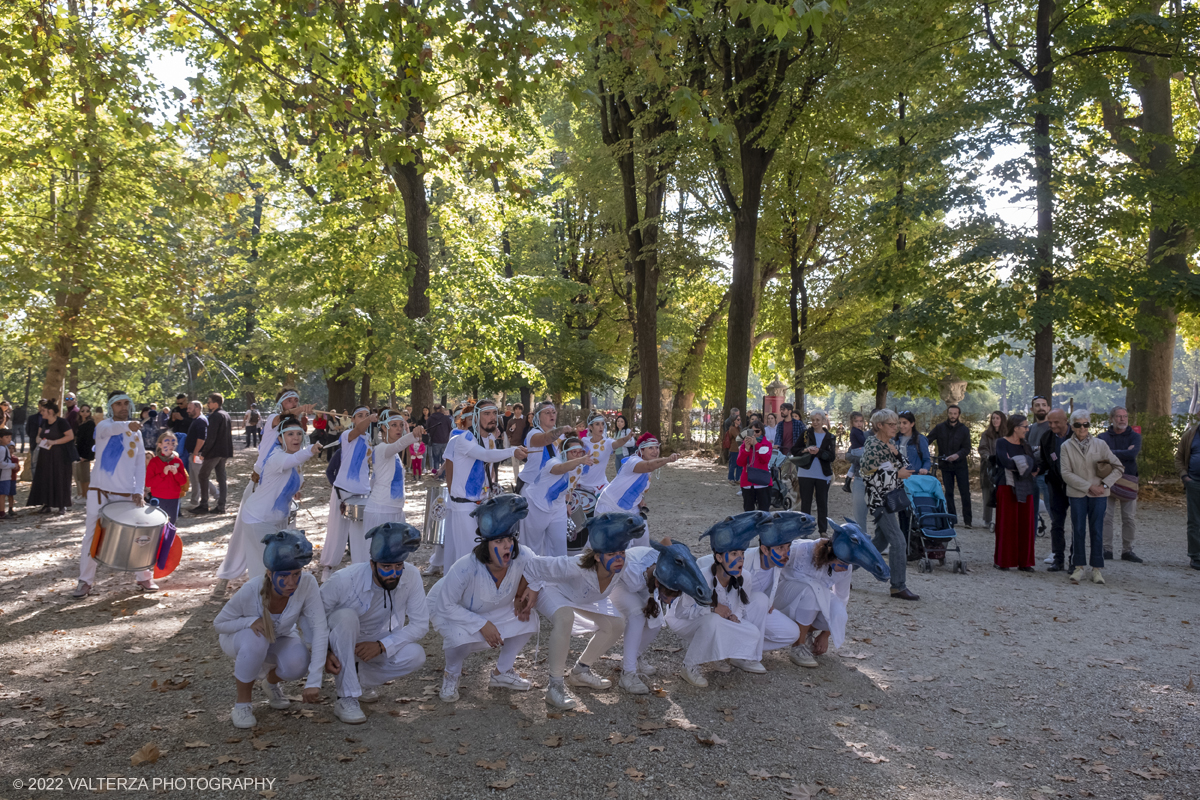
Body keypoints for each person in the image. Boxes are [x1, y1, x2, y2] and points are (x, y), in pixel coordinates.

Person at [517, 512, 646, 709]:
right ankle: (555, 687)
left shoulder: (622, 565)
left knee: (617, 624)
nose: (619, 559)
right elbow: (534, 565)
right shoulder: (575, 566)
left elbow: (637, 583)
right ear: (596, 557)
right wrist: (528, 591)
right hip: (552, 589)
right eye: (611, 554)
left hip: (583, 597)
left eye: (621, 553)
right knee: (565, 617)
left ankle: (580, 672)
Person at [428, 494, 540, 703]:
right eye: (499, 541)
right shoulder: (464, 567)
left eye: (510, 540)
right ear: (485, 544)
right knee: (458, 636)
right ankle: (451, 675)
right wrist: (482, 624)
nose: (507, 546)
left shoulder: (523, 555)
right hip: (451, 612)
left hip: (490, 608)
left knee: (528, 618)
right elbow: (446, 606)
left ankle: (502, 673)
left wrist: (533, 587)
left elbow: (542, 568)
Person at [213, 530, 328, 729]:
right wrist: (249, 622)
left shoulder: (307, 583)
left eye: (296, 574)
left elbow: (320, 628)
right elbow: (219, 624)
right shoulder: (252, 589)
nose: (291, 582)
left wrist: (314, 680)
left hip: (280, 636)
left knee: (299, 663)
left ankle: (271, 683)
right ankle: (242, 705)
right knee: (256, 639)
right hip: (240, 638)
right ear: (270, 574)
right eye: (284, 576)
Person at [321, 522, 429, 724]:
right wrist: (324, 653)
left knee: (416, 655)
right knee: (346, 617)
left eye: (398, 566)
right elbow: (315, 617)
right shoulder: (344, 580)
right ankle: (346, 697)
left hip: (378, 642)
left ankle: (356, 678)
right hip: (341, 640)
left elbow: (420, 624)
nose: (394, 573)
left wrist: (381, 646)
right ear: (372, 564)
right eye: (386, 567)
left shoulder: (411, 575)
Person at [216, 416, 322, 591]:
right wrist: (310, 450)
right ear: (280, 439)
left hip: (277, 519)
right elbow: (291, 462)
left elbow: (292, 474)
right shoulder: (277, 457)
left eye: (299, 434)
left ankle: (271, 607)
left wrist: (294, 489)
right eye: (290, 434)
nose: (296, 438)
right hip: (258, 519)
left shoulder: (293, 458)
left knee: (276, 566)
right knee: (265, 568)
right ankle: (260, 607)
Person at [669, 512, 772, 686]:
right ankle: (689, 666)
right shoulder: (701, 578)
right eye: (733, 554)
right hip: (683, 620)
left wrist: (735, 617)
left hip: (714, 619)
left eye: (742, 554)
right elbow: (681, 611)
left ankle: (721, 655)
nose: (740, 559)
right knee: (713, 621)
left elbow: (740, 606)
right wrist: (712, 608)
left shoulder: (744, 577)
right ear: (718, 557)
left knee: (752, 632)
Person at [606, 538, 712, 694]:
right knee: (637, 614)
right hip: (617, 581)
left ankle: (634, 657)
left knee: (655, 622)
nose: (671, 601)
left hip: (642, 585)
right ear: (657, 585)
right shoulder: (632, 569)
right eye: (669, 596)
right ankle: (627, 673)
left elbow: (668, 541)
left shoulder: (664, 569)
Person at [75, 391, 153, 597]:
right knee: (92, 536)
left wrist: (138, 491)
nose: (123, 407)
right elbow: (114, 428)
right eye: (118, 404)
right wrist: (128, 425)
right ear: (111, 407)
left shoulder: (136, 432)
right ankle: (85, 581)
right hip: (99, 493)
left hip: (127, 493)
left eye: (126, 403)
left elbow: (139, 466)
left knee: (137, 535)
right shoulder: (103, 427)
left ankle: (144, 577)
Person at [440, 400, 527, 570]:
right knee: (467, 559)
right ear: (476, 417)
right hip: (464, 506)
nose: (492, 417)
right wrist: (512, 451)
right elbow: (485, 455)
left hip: (482, 505)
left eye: (494, 413)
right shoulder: (464, 438)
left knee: (481, 559)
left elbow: (488, 463)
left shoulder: (488, 439)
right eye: (487, 414)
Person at [740, 510, 815, 665]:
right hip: (734, 611)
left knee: (792, 633)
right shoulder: (744, 561)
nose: (786, 553)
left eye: (788, 547)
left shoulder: (777, 562)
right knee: (759, 599)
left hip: (758, 610)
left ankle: (742, 649)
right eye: (780, 548)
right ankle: (742, 652)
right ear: (765, 549)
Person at [1060, 410, 1123, 585]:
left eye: (1085, 424)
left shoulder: (1101, 445)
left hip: (1100, 494)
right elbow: (1065, 473)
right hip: (1078, 493)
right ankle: (1078, 567)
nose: (1082, 428)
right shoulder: (1065, 446)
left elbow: (1118, 467)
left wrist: (1103, 485)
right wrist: (1089, 487)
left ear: (1089, 425)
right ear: (1072, 426)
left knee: (1097, 530)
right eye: (1078, 424)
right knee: (1078, 529)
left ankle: (1097, 569)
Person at [861, 408, 918, 601]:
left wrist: (898, 458)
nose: (897, 427)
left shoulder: (890, 444)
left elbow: (908, 467)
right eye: (892, 424)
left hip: (890, 498)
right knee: (899, 541)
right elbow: (867, 476)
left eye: (898, 424)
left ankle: (839, 567)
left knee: (878, 543)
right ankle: (898, 586)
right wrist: (896, 473)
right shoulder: (872, 446)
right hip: (879, 501)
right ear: (880, 426)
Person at [320, 406, 380, 582]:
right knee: (336, 531)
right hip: (342, 491)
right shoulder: (347, 436)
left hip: (363, 491)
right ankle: (328, 567)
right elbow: (358, 431)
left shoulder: (369, 438)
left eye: (366, 415)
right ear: (353, 420)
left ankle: (360, 568)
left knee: (360, 534)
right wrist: (369, 420)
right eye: (359, 416)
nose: (364, 418)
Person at [595, 432, 680, 543]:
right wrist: (667, 460)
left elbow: (637, 486)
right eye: (650, 448)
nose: (655, 451)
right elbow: (648, 466)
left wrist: (640, 498)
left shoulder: (647, 465)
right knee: (616, 546)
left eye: (656, 448)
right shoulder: (633, 461)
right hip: (609, 507)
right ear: (642, 451)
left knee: (642, 541)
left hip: (630, 509)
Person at [521, 436, 598, 556]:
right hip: (536, 505)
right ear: (564, 453)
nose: (578, 455)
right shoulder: (553, 462)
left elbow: (570, 488)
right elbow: (560, 469)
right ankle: (530, 572)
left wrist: (568, 503)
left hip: (558, 507)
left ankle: (558, 572)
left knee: (560, 544)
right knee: (533, 546)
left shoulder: (578, 468)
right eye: (574, 452)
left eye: (580, 452)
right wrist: (580, 460)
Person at [363, 409, 423, 532]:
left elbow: (373, 480)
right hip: (380, 510)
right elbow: (398, 445)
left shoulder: (394, 454)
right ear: (384, 428)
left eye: (401, 425)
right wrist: (413, 435)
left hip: (395, 510)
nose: (399, 429)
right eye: (394, 425)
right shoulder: (381, 448)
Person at [993, 415, 1038, 571]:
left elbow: (1033, 465)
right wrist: (1023, 462)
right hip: (1006, 486)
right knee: (1007, 524)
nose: (1027, 429)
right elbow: (1005, 463)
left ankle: (1024, 562)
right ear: (1016, 427)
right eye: (1025, 426)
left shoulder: (1026, 445)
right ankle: (1004, 561)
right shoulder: (1001, 443)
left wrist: (1017, 461)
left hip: (1026, 487)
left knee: (1026, 524)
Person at [1097, 407, 1142, 563]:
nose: (1122, 419)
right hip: (1107, 480)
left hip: (1128, 480)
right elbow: (1100, 456)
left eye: (1125, 416)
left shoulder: (1135, 437)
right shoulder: (1102, 437)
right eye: (1118, 416)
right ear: (1111, 418)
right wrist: (1123, 452)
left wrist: (1111, 453)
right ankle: (1107, 549)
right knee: (1106, 517)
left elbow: (1132, 454)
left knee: (1129, 518)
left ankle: (1128, 550)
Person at [928, 404, 973, 528]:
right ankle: (952, 519)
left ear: (958, 415)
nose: (952, 416)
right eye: (950, 413)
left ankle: (968, 521)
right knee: (949, 493)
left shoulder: (964, 429)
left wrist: (957, 455)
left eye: (955, 414)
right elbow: (927, 440)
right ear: (947, 414)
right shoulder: (939, 428)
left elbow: (967, 448)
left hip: (960, 465)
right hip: (945, 465)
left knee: (965, 492)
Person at [1037, 409, 1071, 571]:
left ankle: (1075, 560)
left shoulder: (1076, 435)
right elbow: (1044, 461)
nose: (1052, 425)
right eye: (1050, 422)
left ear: (1066, 421)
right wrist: (1034, 470)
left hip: (1076, 486)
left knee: (1078, 523)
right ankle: (1058, 559)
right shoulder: (1047, 438)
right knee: (1056, 523)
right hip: (1056, 485)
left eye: (1056, 422)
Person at [28, 399, 74, 515]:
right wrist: (38, 439)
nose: (41, 412)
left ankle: (61, 505)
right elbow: (38, 436)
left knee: (60, 478)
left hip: (60, 457)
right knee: (45, 478)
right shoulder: (43, 423)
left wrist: (54, 442)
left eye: (43, 410)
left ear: (51, 411)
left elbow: (70, 436)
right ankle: (46, 504)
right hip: (45, 456)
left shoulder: (62, 422)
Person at [795, 411, 837, 533]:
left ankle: (823, 530)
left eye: (818, 420)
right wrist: (806, 450)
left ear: (824, 421)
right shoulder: (806, 434)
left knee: (822, 503)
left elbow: (832, 457)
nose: (815, 422)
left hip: (822, 474)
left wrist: (818, 452)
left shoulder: (830, 437)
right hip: (805, 472)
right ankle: (805, 530)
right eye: (813, 420)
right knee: (805, 503)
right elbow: (795, 449)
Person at [194, 393, 233, 515]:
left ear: (215, 403)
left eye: (209, 402)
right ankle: (221, 505)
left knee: (202, 475)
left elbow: (211, 437)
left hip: (215, 452)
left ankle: (204, 504)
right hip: (224, 451)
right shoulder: (226, 415)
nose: (208, 404)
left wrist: (203, 453)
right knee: (221, 478)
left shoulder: (215, 416)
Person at [577, 413, 634, 495]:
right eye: (597, 424)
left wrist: (626, 438)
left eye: (602, 424)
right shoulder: (584, 441)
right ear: (590, 427)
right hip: (581, 485)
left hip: (599, 487)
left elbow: (617, 443)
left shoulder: (607, 443)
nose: (601, 427)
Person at [146, 431, 188, 525]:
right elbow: (148, 482)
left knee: (171, 524)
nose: (171, 446)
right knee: (157, 524)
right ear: (160, 445)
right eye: (167, 443)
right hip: (158, 498)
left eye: (173, 443)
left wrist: (176, 473)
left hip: (174, 498)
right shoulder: (154, 462)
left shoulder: (178, 461)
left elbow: (183, 481)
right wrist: (162, 474)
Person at [1174, 420, 1200, 570]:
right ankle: (1196, 556)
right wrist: (1185, 477)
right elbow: (1179, 458)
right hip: (1194, 483)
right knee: (1194, 521)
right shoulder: (1190, 435)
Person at [736, 421, 774, 512]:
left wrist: (756, 445)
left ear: (762, 432)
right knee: (748, 511)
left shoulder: (767, 444)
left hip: (763, 482)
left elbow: (765, 459)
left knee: (764, 511)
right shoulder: (743, 445)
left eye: (757, 431)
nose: (755, 434)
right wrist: (746, 449)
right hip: (747, 482)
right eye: (752, 432)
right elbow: (740, 463)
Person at [978, 411, 1007, 530]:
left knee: (1003, 493)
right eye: (993, 418)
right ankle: (987, 520)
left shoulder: (1007, 434)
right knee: (987, 493)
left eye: (997, 418)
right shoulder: (986, 434)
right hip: (988, 467)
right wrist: (989, 457)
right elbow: (982, 448)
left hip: (1003, 467)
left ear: (1002, 420)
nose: (995, 420)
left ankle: (1002, 519)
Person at [184, 401, 208, 508]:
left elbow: (201, 439)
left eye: (190, 408)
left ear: (197, 408)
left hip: (197, 454)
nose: (187, 410)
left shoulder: (200, 421)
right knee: (194, 479)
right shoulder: (196, 420)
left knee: (201, 477)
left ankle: (217, 495)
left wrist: (195, 452)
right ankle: (194, 502)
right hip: (193, 453)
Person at [846, 411, 868, 529]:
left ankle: (848, 479)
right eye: (856, 421)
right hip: (858, 450)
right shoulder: (856, 432)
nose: (859, 424)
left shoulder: (859, 431)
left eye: (861, 421)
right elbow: (863, 442)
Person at [73, 404, 95, 501]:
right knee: (80, 476)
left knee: (85, 476)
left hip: (85, 453)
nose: (85, 413)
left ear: (90, 412)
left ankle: (87, 496)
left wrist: (85, 456)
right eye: (83, 411)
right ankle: (82, 495)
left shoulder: (90, 423)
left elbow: (89, 440)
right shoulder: (80, 423)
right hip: (79, 453)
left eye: (87, 411)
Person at [427, 404, 453, 473]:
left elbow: (428, 430)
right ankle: (442, 475)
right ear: (441, 409)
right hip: (445, 440)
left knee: (436, 459)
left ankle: (436, 474)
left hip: (435, 441)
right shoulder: (446, 418)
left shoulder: (430, 418)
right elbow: (450, 428)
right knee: (443, 459)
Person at [722, 411, 743, 486]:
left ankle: (737, 479)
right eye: (738, 419)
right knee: (733, 465)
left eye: (740, 419)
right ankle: (731, 479)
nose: (739, 421)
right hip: (734, 449)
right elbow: (739, 437)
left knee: (739, 465)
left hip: (740, 449)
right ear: (734, 421)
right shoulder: (732, 428)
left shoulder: (739, 428)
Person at [0, 429, 16, 518]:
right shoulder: (2, 449)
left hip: (6, 476)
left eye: (10, 437)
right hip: (3, 476)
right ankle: (2, 512)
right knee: (2, 495)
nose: (9, 439)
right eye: (6, 437)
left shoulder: (5, 447)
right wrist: (12, 465)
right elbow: (1, 464)